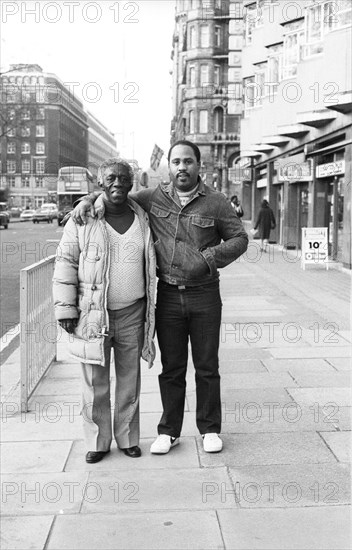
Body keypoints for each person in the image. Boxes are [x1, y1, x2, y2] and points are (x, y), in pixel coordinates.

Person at [72, 140, 248, 454]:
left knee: (207, 365)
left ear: (198, 165)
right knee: (172, 367)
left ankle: (209, 429)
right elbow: (116, 195)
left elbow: (240, 238)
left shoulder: (217, 202)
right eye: (176, 161)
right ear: (169, 166)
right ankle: (169, 431)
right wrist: (90, 198)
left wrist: (209, 257)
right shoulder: (152, 198)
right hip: (167, 295)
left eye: (188, 161)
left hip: (205, 295)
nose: (182, 167)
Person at [53, 158, 156, 464]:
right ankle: (98, 442)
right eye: (111, 178)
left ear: (132, 182)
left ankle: (127, 438)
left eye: (125, 179)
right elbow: (65, 263)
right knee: (94, 382)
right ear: (99, 182)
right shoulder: (83, 219)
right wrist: (66, 309)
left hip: (131, 312)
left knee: (129, 379)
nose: (118, 184)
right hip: (92, 313)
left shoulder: (143, 216)